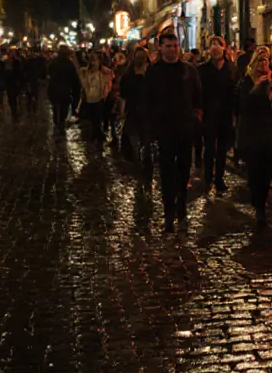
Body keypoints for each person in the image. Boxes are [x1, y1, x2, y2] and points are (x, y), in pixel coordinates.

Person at [144, 31, 203, 233]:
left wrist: (196, 117)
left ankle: (181, 204)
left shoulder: (189, 70)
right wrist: (152, 130)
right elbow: (148, 101)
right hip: (164, 129)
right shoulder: (154, 72)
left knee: (184, 168)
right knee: (167, 171)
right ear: (160, 48)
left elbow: (197, 96)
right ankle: (169, 211)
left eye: (175, 46)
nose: (172, 49)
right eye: (168, 46)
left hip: (185, 128)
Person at [236, 48, 272, 231]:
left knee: (268, 168)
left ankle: (261, 199)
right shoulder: (247, 81)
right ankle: (259, 206)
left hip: (269, 130)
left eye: (266, 60)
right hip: (252, 131)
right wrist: (257, 88)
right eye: (261, 60)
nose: (264, 64)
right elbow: (243, 105)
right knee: (255, 170)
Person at [199, 37, 237, 195]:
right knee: (209, 148)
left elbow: (235, 92)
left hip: (225, 114)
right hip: (208, 114)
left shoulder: (231, 69)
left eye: (218, 45)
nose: (215, 48)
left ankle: (219, 178)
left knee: (222, 149)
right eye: (212, 45)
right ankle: (208, 177)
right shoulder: (202, 69)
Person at [119, 47, 153, 189]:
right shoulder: (128, 75)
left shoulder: (151, 74)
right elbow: (123, 95)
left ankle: (147, 173)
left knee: (147, 147)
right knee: (135, 146)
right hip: (133, 114)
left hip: (148, 115)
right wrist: (122, 110)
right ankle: (139, 172)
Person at [47, 46, 82, 136]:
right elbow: (74, 79)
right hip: (65, 90)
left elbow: (49, 75)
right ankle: (61, 123)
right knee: (64, 108)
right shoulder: (69, 64)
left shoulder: (53, 64)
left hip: (55, 89)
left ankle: (57, 123)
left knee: (56, 107)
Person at [79, 51, 112, 144]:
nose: (93, 62)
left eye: (95, 60)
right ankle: (95, 134)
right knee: (93, 118)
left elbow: (109, 77)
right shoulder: (86, 71)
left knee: (97, 117)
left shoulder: (103, 72)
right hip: (90, 97)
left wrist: (105, 91)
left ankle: (98, 134)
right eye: (91, 60)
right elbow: (83, 78)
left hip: (99, 98)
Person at [2, 47, 25, 122]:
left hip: (15, 82)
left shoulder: (17, 62)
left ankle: (14, 110)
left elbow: (20, 73)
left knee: (14, 96)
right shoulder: (6, 62)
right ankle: (13, 109)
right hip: (9, 83)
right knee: (10, 97)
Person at [23, 47, 46, 115]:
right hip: (33, 80)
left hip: (31, 80)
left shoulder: (31, 61)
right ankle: (33, 108)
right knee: (34, 94)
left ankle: (31, 108)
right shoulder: (37, 61)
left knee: (30, 95)